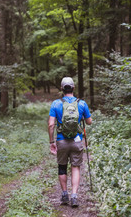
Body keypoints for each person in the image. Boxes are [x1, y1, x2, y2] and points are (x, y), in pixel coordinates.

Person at [48, 77, 92, 207]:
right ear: (73, 88)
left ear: (62, 88)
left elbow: (51, 125)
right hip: (76, 140)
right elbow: (89, 122)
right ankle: (74, 196)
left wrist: (52, 141)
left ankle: (64, 195)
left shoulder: (56, 103)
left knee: (62, 167)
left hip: (61, 140)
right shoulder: (82, 103)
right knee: (75, 167)